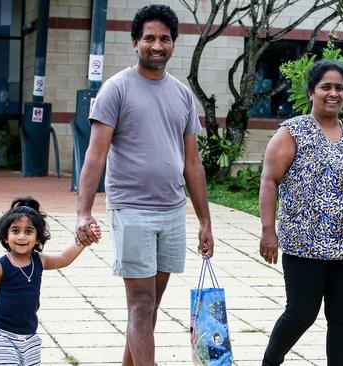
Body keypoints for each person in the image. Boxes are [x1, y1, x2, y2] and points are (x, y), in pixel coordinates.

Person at [74, 4, 214, 365]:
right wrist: (83, 212)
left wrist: (205, 221)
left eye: (164, 38)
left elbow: (192, 163)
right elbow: (94, 156)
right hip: (131, 210)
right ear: (135, 42)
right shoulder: (116, 89)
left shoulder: (182, 95)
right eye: (149, 38)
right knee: (140, 304)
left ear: (173, 44)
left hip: (171, 211)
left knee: (150, 308)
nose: (157, 45)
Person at [259, 59, 343, 365]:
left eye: (339, 87)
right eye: (325, 87)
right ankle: (270, 362)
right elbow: (269, 180)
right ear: (311, 92)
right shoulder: (294, 132)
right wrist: (267, 231)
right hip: (305, 245)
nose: (333, 93)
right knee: (301, 313)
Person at [0, 197, 100, 365]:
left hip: (30, 335)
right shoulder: (0, 267)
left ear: (38, 238)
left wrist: (86, 239)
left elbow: (64, 258)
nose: (21, 237)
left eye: (28, 231)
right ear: (5, 236)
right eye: (15, 230)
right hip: (2, 334)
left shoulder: (39, 261)